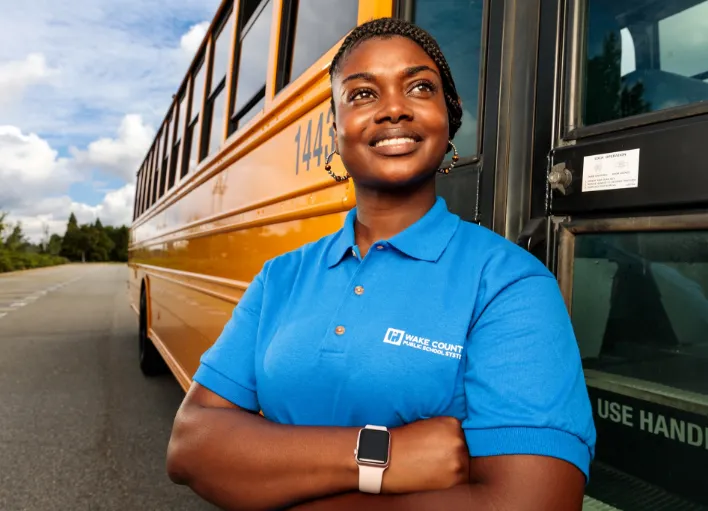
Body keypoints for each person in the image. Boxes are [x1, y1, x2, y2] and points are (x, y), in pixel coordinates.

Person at [166, 17, 596, 511]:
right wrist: (383, 457)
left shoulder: (509, 285)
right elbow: (190, 445)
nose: (393, 109)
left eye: (419, 87)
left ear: (449, 117)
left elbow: (531, 503)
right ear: (335, 127)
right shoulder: (281, 277)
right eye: (363, 94)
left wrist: (266, 478)